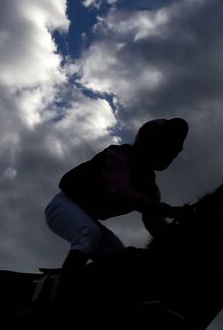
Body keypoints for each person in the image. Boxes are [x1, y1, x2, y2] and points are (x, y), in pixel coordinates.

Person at [44, 117, 190, 311]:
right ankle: (52, 304)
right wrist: (168, 210)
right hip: (64, 205)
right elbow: (119, 190)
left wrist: (181, 234)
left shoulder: (150, 186)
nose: (169, 154)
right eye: (166, 146)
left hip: (88, 217)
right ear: (148, 141)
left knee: (119, 259)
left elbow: (155, 223)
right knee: (88, 234)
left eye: (174, 150)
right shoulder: (118, 155)